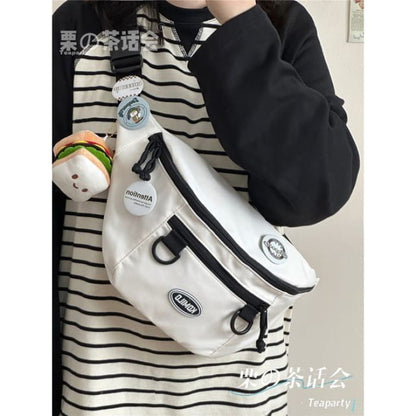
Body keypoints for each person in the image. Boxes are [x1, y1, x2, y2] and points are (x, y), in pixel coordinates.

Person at [53, 1, 360, 415]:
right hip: (100, 379)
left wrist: (239, 21)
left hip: (238, 385)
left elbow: (318, 189)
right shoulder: (81, 24)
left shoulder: (283, 24)